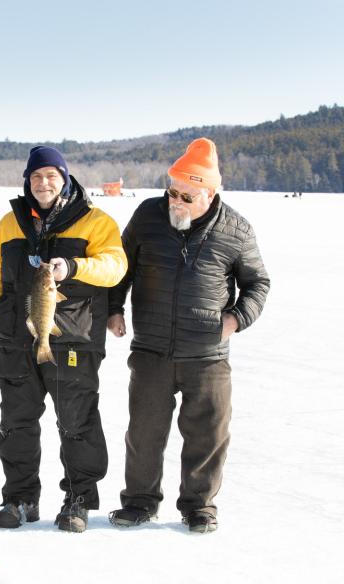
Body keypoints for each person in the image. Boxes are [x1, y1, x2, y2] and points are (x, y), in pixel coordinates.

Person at [107, 138, 270, 533]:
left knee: (208, 435)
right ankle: (140, 502)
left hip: (208, 354)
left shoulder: (236, 229)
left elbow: (257, 283)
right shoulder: (147, 216)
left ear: (209, 194)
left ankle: (199, 505)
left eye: (186, 195)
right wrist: (114, 307)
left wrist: (235, 319)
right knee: (144, 433)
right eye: (172, 192)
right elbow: (121, 266)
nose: (176, 201)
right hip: (151, 349)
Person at [0, 146, 127, 532]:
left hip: (74, 339)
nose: (43, 183)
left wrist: (74, 266)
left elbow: (116, 265)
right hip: (17, 340)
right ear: (27, 181)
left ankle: (78, 499)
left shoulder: (95, 221)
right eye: (36, 177)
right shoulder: (9, 223)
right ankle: (19, 499)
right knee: (16, 421)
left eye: (51, 175)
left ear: (64, 178)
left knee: (76, 422)